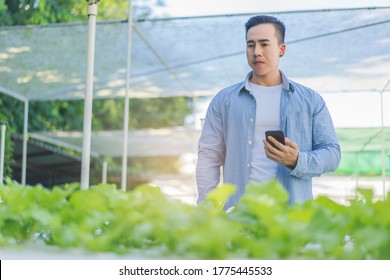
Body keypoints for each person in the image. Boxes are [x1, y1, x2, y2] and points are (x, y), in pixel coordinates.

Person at [196, 15, 341, 210]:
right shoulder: (224, 100)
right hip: (239, 215)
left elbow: (332, 154)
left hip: (292, 216)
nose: (256, 52)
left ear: (281, 49)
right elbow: (209, 157)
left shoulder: (310, 100)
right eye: (250, 45)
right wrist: (207, 208)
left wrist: (298, 160)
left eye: (264, 44)